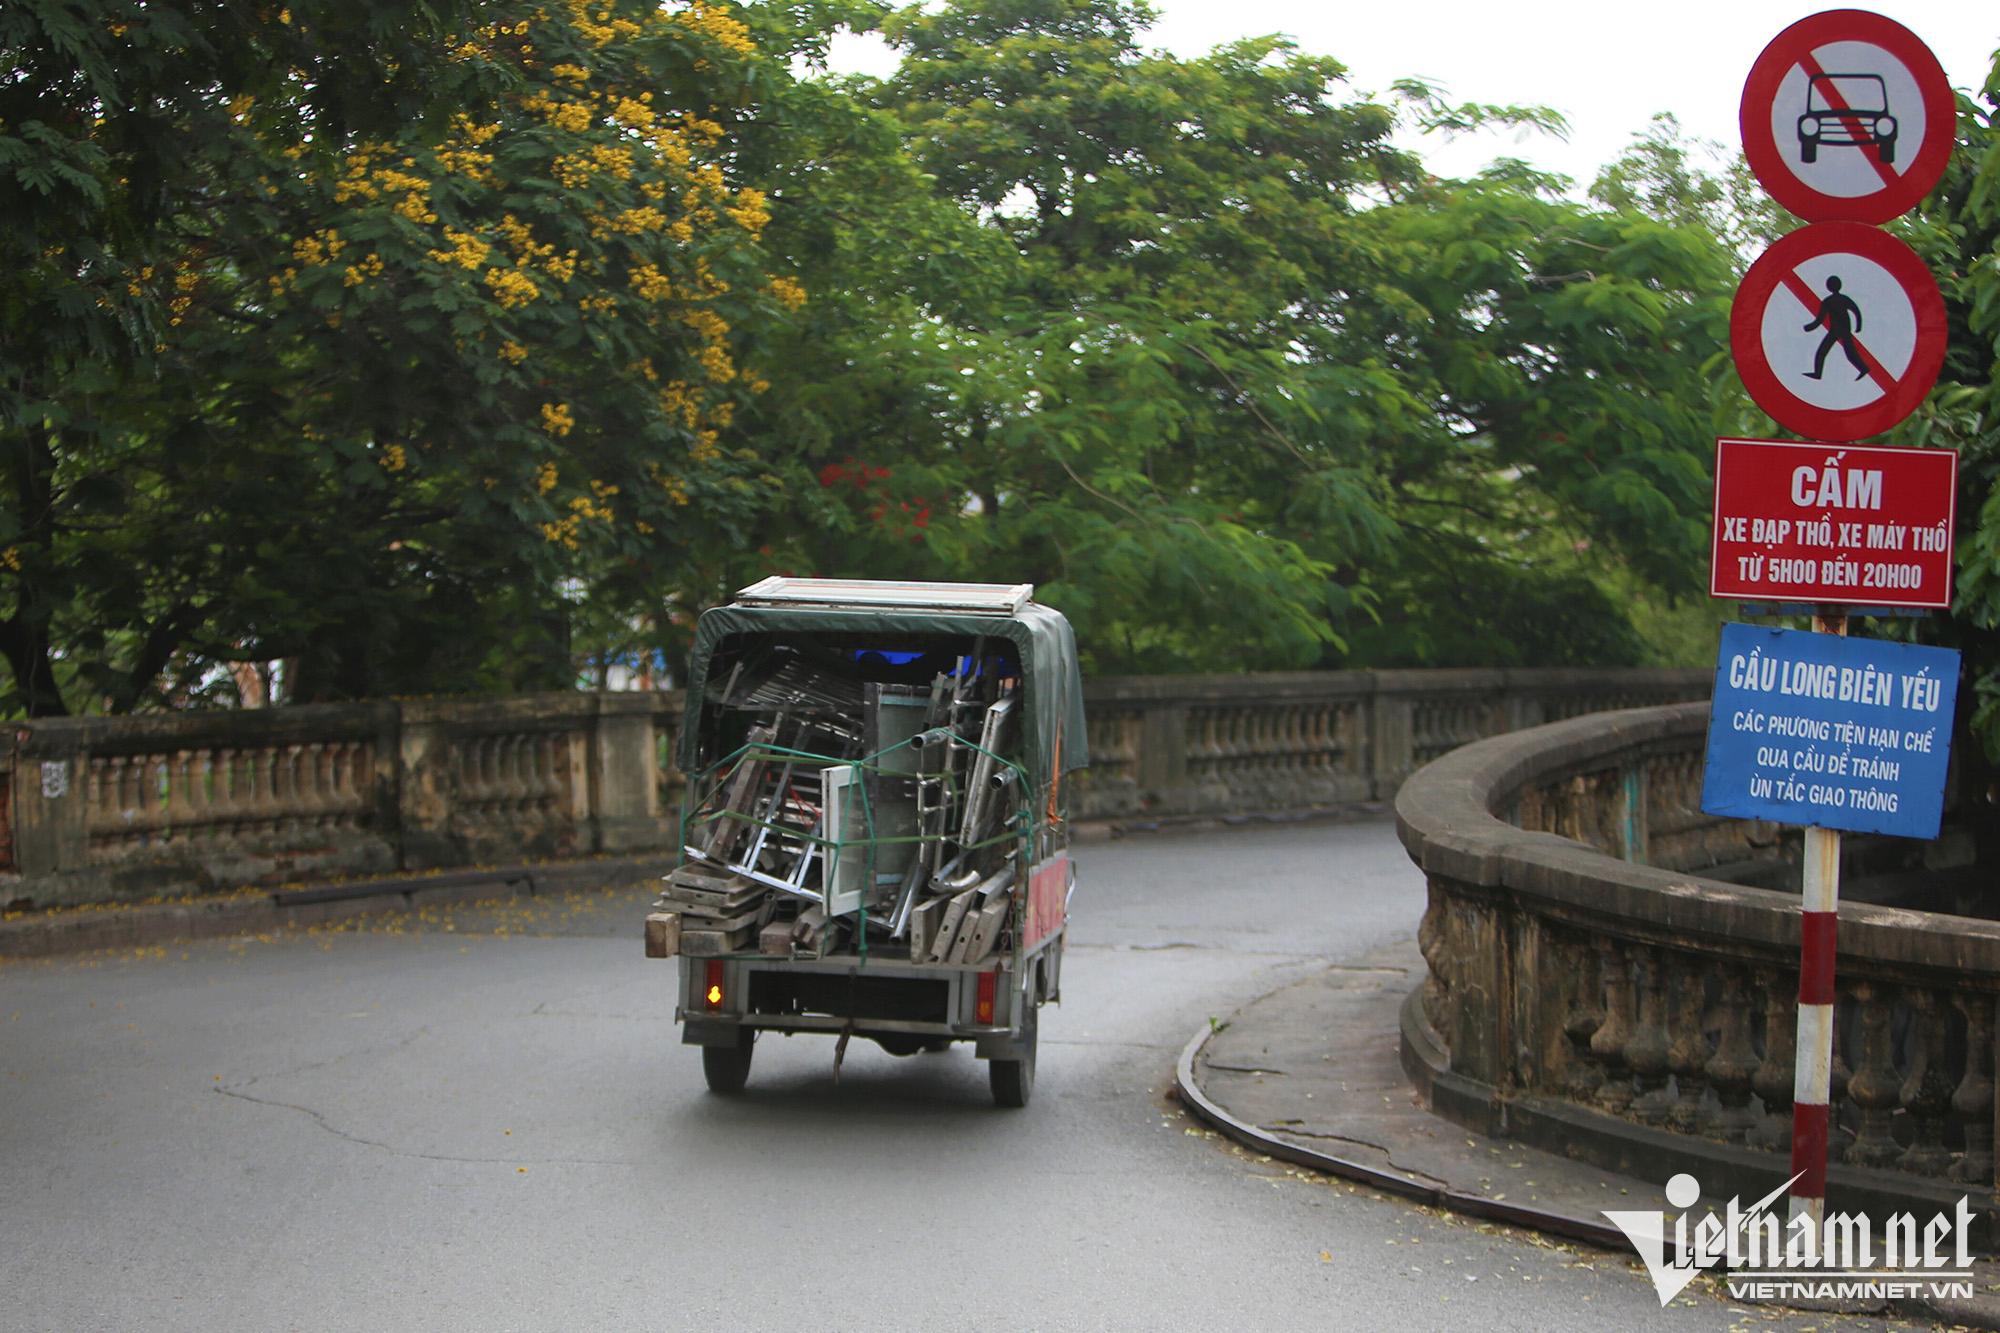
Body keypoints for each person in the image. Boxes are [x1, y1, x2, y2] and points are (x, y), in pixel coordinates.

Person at [1803, 276, 1868, 382]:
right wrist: (1858, 326)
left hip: (1838, 330)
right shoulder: (1841, 299)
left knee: (1825, 352)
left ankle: (1818, 373)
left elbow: (1820, 320)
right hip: (1840, 329)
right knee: (1847, 352)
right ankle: (1817, 373)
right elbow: (1856, 311)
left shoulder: (1828, 301)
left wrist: (1809, 327)